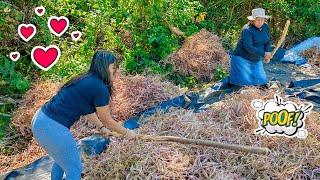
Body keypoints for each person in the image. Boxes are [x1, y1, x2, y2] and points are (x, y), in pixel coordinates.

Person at [31, 50, 139, 180]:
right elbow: (107, 120)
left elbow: (87, 111)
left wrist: (101, 128)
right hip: (52, 127)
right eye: (113, 68)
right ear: (104, 67)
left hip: (40, 120)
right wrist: (127, 133)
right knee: (74, 168)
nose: (115, 72)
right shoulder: (99, 87)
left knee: (61, 161)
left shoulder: (86, 79)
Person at [230, 8, 272, 86]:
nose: (260, 22)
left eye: (262, 20)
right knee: (244, 85)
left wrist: (268, 52)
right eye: (258, 20)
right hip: (242, 59)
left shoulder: (265, 27)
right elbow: (249, 47)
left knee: (262, 82)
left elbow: (267, 41)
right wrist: (263, 53)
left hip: (255, 59)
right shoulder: (247, 30)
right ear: (252, 20)